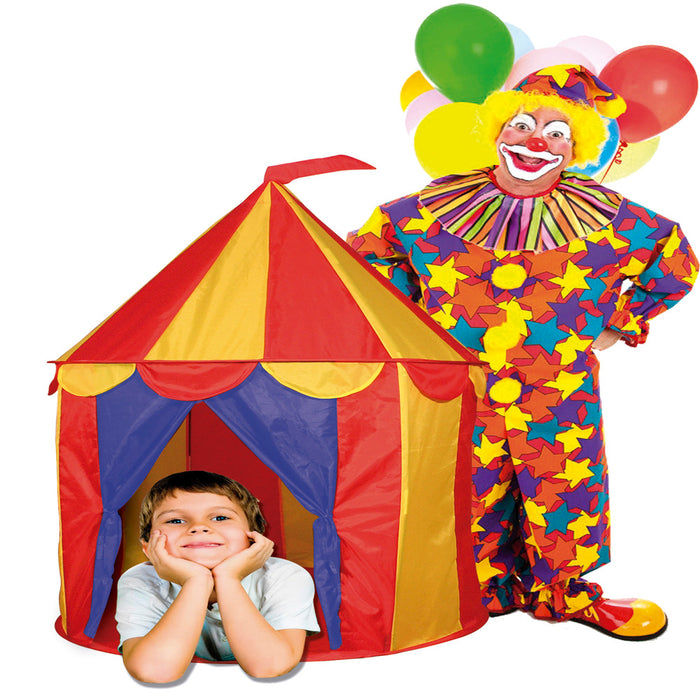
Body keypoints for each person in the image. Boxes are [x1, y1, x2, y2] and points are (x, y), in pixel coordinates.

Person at [348, 65, 697, 640]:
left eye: (558, 133)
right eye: (523, 125)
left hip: (557, 387)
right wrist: (411, 328)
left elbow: (675, 259)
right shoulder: (428, 209)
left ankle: (564, 592)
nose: (537, 142)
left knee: (564, 486)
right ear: (497, 131)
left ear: (576, 148)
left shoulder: (611, 218)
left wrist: (621, 322)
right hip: (462, 386)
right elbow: (369, 256)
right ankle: (476, 588)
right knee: (465, 485)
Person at [115, 470, 319, 682]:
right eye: (175, 520)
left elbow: (269, 667)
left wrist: (228, 578)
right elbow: (154, 672)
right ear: (148, 547)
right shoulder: (140, 581)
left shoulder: (286, 576)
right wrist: (195, 581)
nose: (199, 527)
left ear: (253, 538)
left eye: (221, 517)